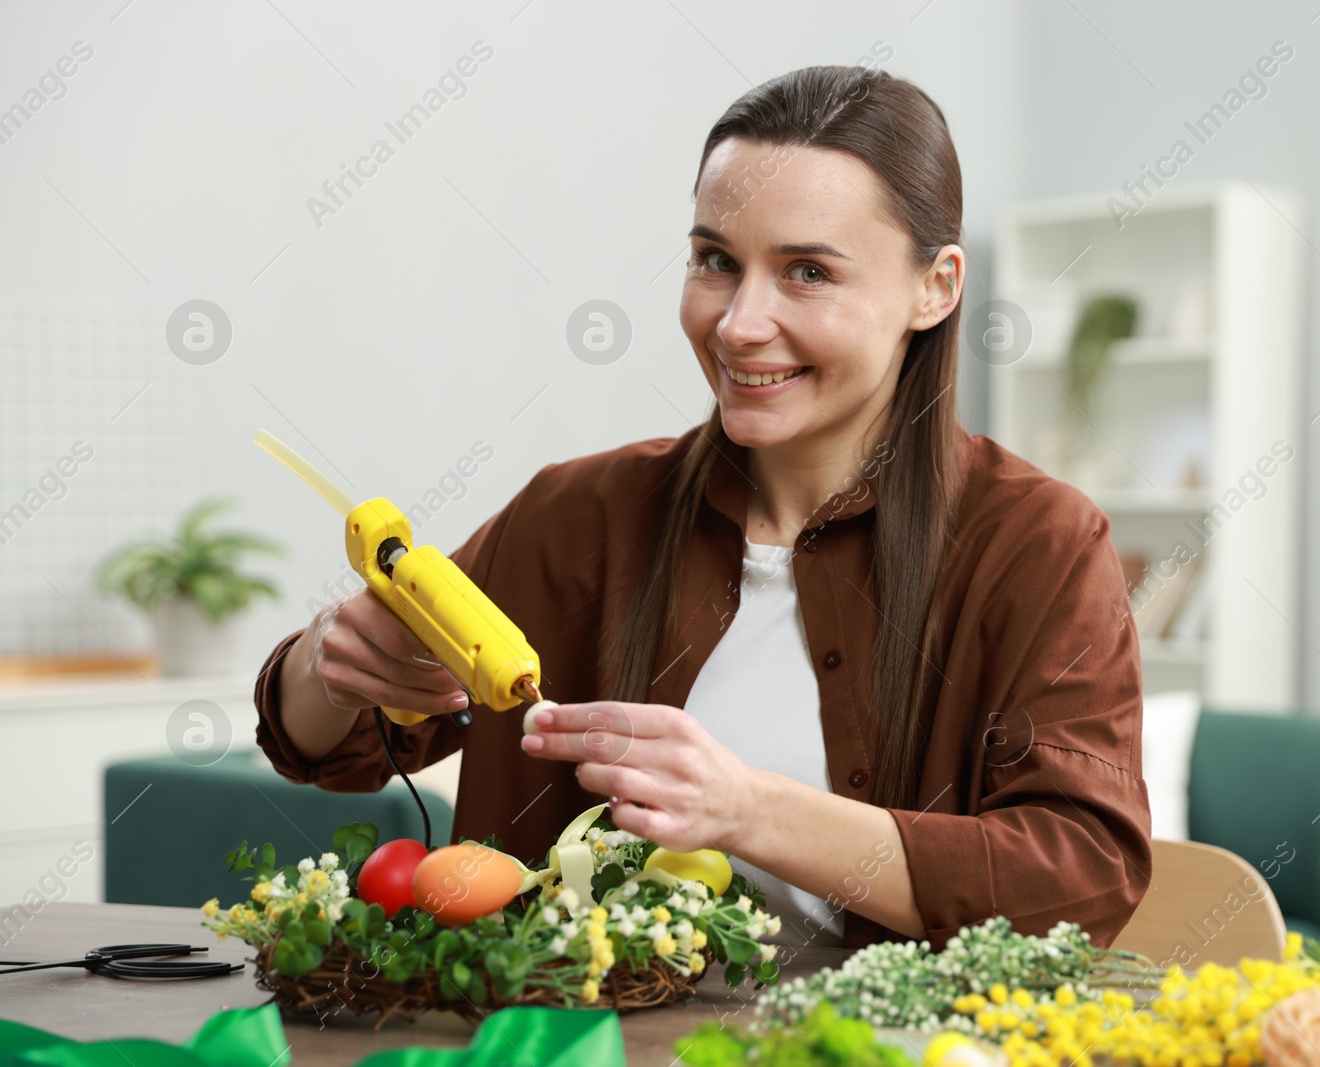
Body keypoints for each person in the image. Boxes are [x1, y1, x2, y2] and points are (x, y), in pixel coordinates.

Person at [254, 64, 1151, 953]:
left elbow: (1082, 875)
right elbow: (334, 749)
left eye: (806, 271)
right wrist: (328, 667)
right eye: (717, 261)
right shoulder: (574, 514)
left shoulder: (1040, 544)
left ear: (937, 288)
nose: (738, 323)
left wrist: (748, 809)